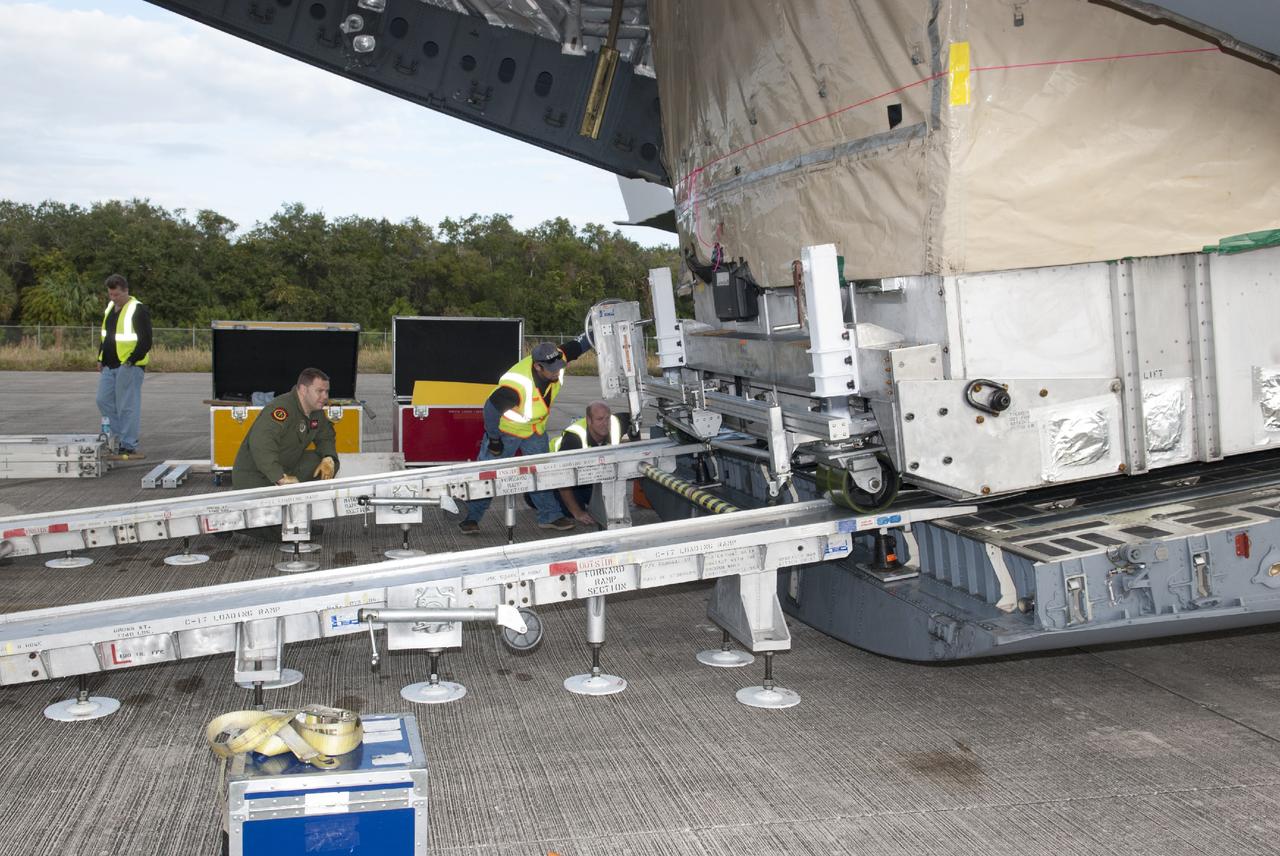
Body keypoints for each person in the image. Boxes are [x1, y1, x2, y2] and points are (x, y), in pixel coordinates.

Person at [459, 335, 593, 534]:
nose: (558, 371)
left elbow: (578, 346)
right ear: (538, 367)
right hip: (507, 432)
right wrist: (494, 440)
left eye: (560, 366)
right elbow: (490, 410)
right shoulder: (517, 386)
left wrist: (594, 335)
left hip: (535, 431)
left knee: (542, 472)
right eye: (553, 369)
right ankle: (471, 518)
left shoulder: (554, 358)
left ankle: (550, 516)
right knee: (487, 475)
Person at [231, 367, 341, 489]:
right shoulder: (282, 408)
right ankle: (286, 489)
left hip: (287, 465)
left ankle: (309, 495)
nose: (325, 396)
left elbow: (326, 436)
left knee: (325, 461)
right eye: (319, 391)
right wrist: (279, 477)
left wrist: (328, 457)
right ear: (304, 390)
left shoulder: (316, 411)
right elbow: (261, 443)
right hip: (257, 475)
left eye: (327, 391)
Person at [95, 274, 151, 460]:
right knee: (102, 400)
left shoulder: (138, 309)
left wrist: (131, 360)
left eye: (116, 294)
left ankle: (128, 444)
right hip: (109, 364)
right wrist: (100, 357)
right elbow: (106, 335)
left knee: (127, 406)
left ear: (126, 291)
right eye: (110, 294)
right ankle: (117, 439)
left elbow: (146, 340)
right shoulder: (110, 308)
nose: (113, 298)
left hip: (129, 365)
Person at [550, 400, 622, 525]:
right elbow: (562, 478)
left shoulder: (615, 424)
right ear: (589, 420)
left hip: (587, 477)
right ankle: (534, 498)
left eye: (607, 418)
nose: (605, 423)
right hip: (556, 478)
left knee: (603, 505)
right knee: (572, 510)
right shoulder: (574, 438)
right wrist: (577, 512)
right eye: (600, 419)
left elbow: (632, 423)